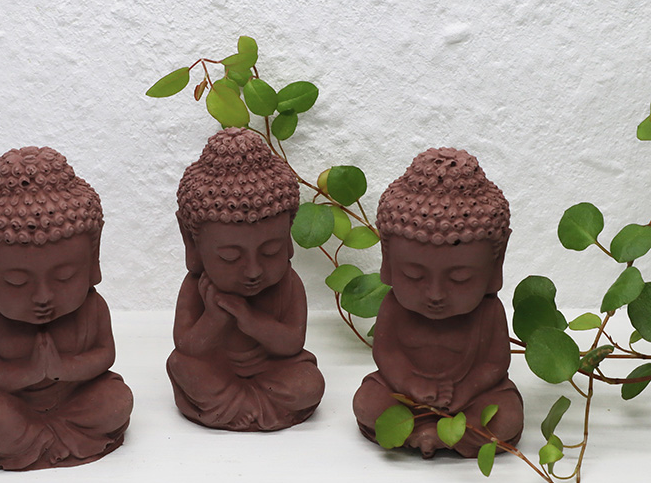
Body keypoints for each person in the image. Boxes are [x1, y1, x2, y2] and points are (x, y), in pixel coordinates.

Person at [0, 147, 133, 470]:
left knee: (115, 398)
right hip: (15, 405)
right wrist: (30, 373)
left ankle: (37, 441)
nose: (43, 297)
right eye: (16, 281)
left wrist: (62, 369)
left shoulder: (92, 308)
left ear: (93, 258)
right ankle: (59, 439)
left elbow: (104, 356)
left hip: (75, 397)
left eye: (64, 276)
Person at [353, 148, 523, 458]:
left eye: (460, 278)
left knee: (506, 415)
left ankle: (435, 436)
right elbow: (387, 353)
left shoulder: (488, 310)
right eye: (414, 275)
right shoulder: (395, 306)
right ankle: (435, 434)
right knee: (368, 402)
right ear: (388, 258)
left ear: (495, 262)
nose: (435, 294)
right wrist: (410, 384)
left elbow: (494, 364)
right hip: (406, 396)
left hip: (472, 398)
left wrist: (465, 391)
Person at [168, 127, 324, 431]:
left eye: (270, 251)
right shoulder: (197, 287)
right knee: (181, 365)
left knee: (309, 383)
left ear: (287, 239)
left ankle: (234, 407)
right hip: (218, 371)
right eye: (230, 257)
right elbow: (187, 348)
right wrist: (214, 319)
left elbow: (292, 344)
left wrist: (249, 320)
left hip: (274, 371)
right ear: (192, 243)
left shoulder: (288, 284)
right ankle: (253, 406)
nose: (253, 271)